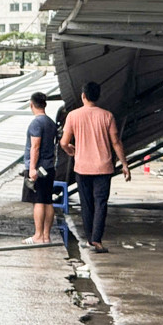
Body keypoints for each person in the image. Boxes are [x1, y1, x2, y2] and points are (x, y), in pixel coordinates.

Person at [59, 81, 130, 253]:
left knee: (86, 204)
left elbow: (64, 142)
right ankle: (97, 240)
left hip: (82, 167)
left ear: (83, 96)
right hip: (103, 168)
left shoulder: (73, 116)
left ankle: (90, 239)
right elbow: (116, 142)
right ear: (98, 96)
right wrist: (125, 164)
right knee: (101, 203)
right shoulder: (107, 116)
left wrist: (70, 150)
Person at [21, 91, 57, 244]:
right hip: (49, 167)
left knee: (39, 201)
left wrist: (32, 169)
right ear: (45, 104)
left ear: (31, 104)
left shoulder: (36, 123)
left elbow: (35, 147)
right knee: (48, 201)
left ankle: (37, 235)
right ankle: (46, 236)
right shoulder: (50, 122)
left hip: (39, 168)